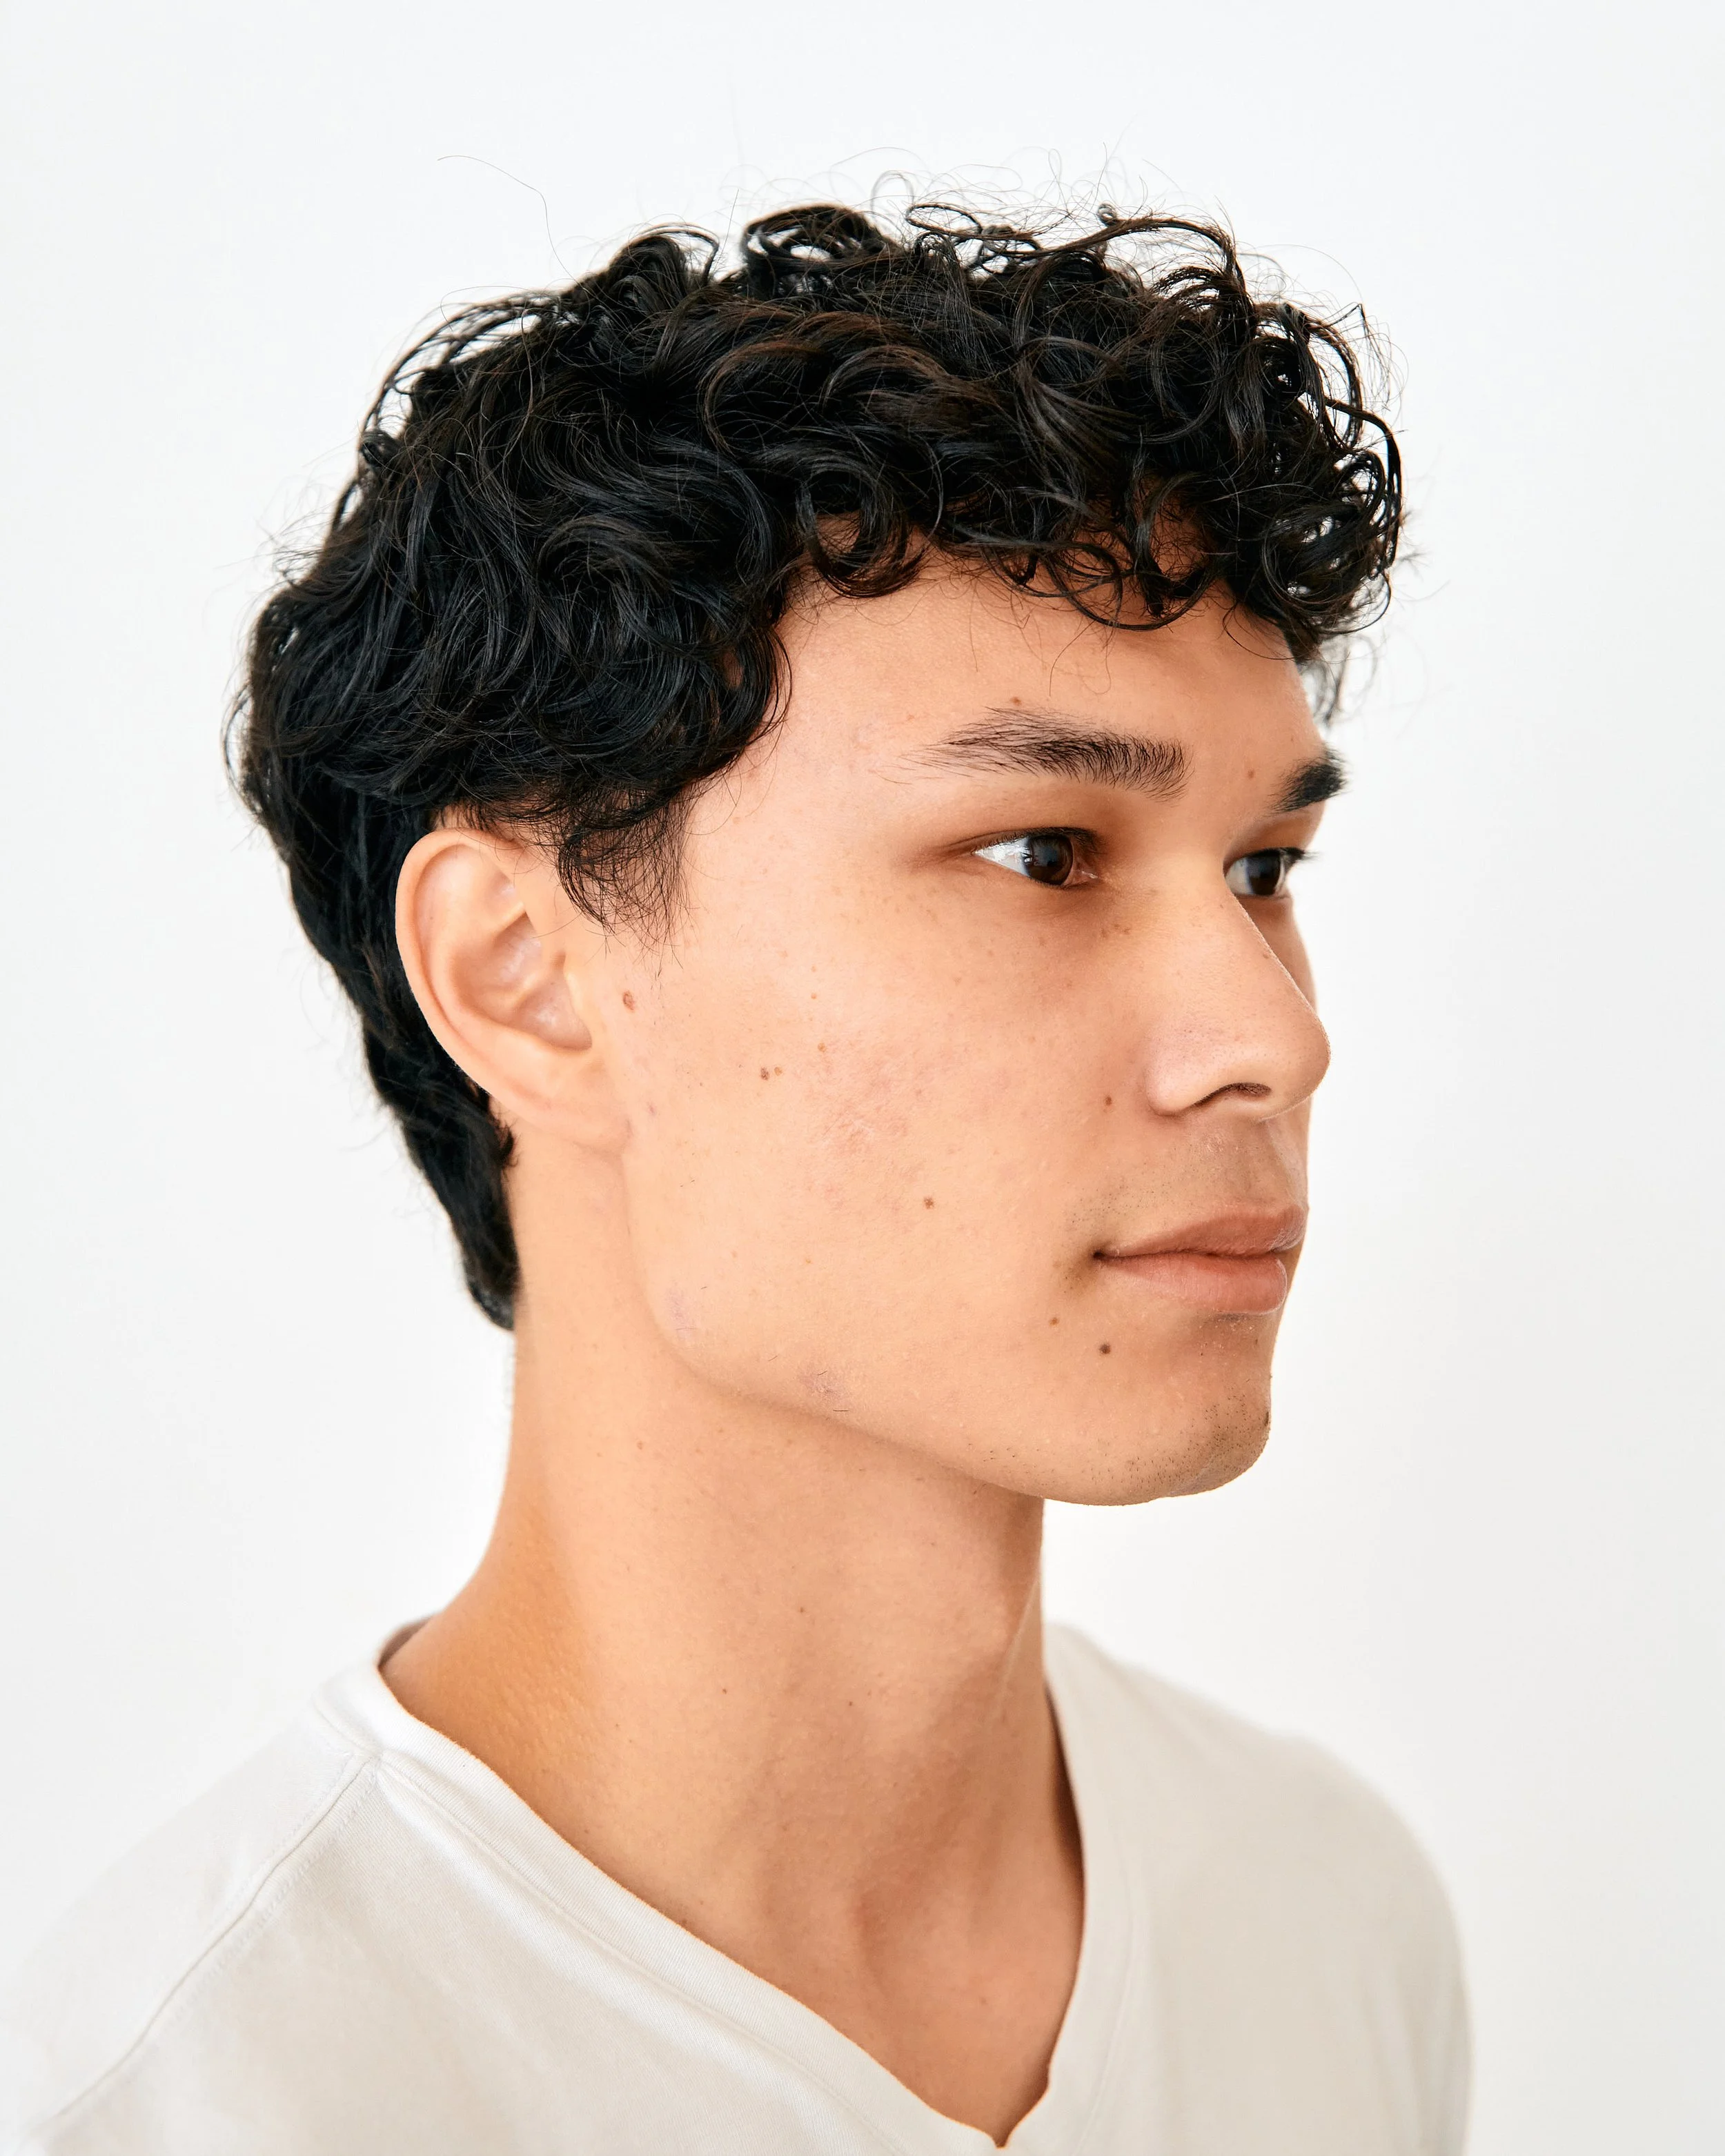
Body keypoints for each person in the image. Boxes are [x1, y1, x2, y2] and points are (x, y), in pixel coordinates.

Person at [1, 202, 1468, 2155]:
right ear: (525, 979)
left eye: (1264, 870)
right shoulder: (182, 2102)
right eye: (1041, 854)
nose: (1271, 1038)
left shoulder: (1324, 1923)